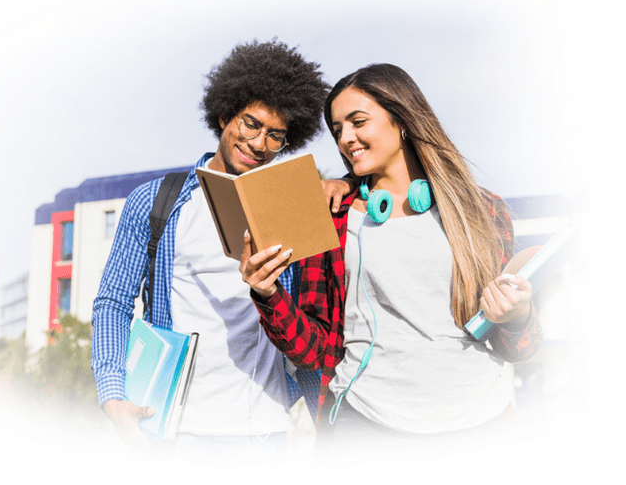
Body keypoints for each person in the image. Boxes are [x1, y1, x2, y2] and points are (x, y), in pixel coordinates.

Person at [240, 63, 544, 452]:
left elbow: (519, 347)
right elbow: (311, 348)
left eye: (357, 121)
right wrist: (268, 295)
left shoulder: (482, 211)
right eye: (337, 130)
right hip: (364, 424)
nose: (346, 138)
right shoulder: (331, 216)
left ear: (401, 119)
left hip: (479, 424)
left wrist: (517, 318)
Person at [91, 39, 351, 458]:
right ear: (224, 114)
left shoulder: (294, 205)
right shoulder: (156, 201)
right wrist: (111, 392)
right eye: (251, 124)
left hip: (266, 428)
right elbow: (113, 303)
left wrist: (346, 185)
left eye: (276, 136)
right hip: (170, 428)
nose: (260, 143)